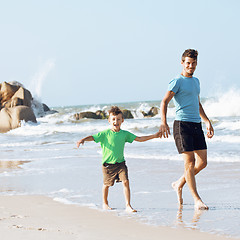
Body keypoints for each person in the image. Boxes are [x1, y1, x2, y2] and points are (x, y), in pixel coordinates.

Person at [77, 106, 161, 212]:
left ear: (122, 120)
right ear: (109, 120)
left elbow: (139, 139)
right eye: (113, 119)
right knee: (107, 185)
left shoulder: (125, 134)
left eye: (118, 119)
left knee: (126, 182)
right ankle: (105, 203)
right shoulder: (105, 134)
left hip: (121, 163)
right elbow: (93, 137)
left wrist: (154, 136)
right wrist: (83, 139)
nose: (115, 121)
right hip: (108, 165)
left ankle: (128, 205)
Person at [160, 49, 214, 210]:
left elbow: (197, 103)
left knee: (202, 162)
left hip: (196, 124)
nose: (191, 66)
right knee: (189, 163)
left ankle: (179, 183)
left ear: (196, 63)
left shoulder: (196, 81)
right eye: (188, 63)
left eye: (194, 63)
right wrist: (164, 122)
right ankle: (197, 199)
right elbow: (164, 102)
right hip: (182, 125)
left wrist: (207, 121)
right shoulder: (177, 81)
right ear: (182, 63)